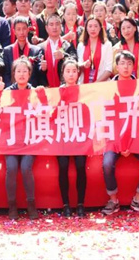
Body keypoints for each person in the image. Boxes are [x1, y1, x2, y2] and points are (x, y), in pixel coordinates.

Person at [101, 51, 139, 216]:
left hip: (136, 135)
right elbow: (106, 116)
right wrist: (120, 144)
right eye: (122, 63)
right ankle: (113, 200)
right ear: (116, 66)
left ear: (134, 66)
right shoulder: (107, 88)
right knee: (106, 164)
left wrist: (131, 143)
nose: (126, 67)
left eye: (129, 64)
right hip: (114, 137)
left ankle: (138, 198)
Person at [5, 57, 41, 220]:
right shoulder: (6, 92)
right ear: (13, 74)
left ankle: (31, 204)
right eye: (18, 71)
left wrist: (42, 97)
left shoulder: (35, 92)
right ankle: (12, 206)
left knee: (26, 167)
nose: (21, 74)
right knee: (11, 167)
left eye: (24, 71)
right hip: (11, 140)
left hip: (29, 141)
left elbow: (44, 113)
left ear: (29, 74)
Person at [57, 58, 89, 217]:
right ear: (63, 74)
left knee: (81, 166)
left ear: (78, 74)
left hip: (79, 136)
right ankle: (66, 205)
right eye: (68, 71)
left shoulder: (84, 92)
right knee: (63, 167)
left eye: (74, 71)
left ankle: (81, 204)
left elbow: (89, 114)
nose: (71, 74)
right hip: (62, 136)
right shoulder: (56, 93)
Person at [38, 13, 77, 87]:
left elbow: (75, 61)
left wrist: (63, 56)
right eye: (51, 24)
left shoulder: (67, 45)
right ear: (46, 28)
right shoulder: (40, 48)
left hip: (64, 87)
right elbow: (35, 72)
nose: (54, 27)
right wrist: (42, 69)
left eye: (57, 24)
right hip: (46, 88)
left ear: (61, 27)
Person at [3, 17, 43, 87]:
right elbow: (6, 74)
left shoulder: (36, 50)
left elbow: (39, 73)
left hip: (31, 88)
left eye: (24, 29)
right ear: (14, 31)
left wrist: (43, 68)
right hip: (12, 89)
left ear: (28, 30)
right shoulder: (7, 51)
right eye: (18, 29)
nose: (21, 32)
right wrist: (11, 88)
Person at [77, 16, 113, 83]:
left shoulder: (107, 45)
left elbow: (108, 69)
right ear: (86, 28)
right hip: (84, 83)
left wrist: (96, 84)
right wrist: (83, 65)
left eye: (96, 26)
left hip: (101, 83)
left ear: (100, 28)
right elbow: (78, 65)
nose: (93, 29)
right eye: (90, 26)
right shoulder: (81, 45)